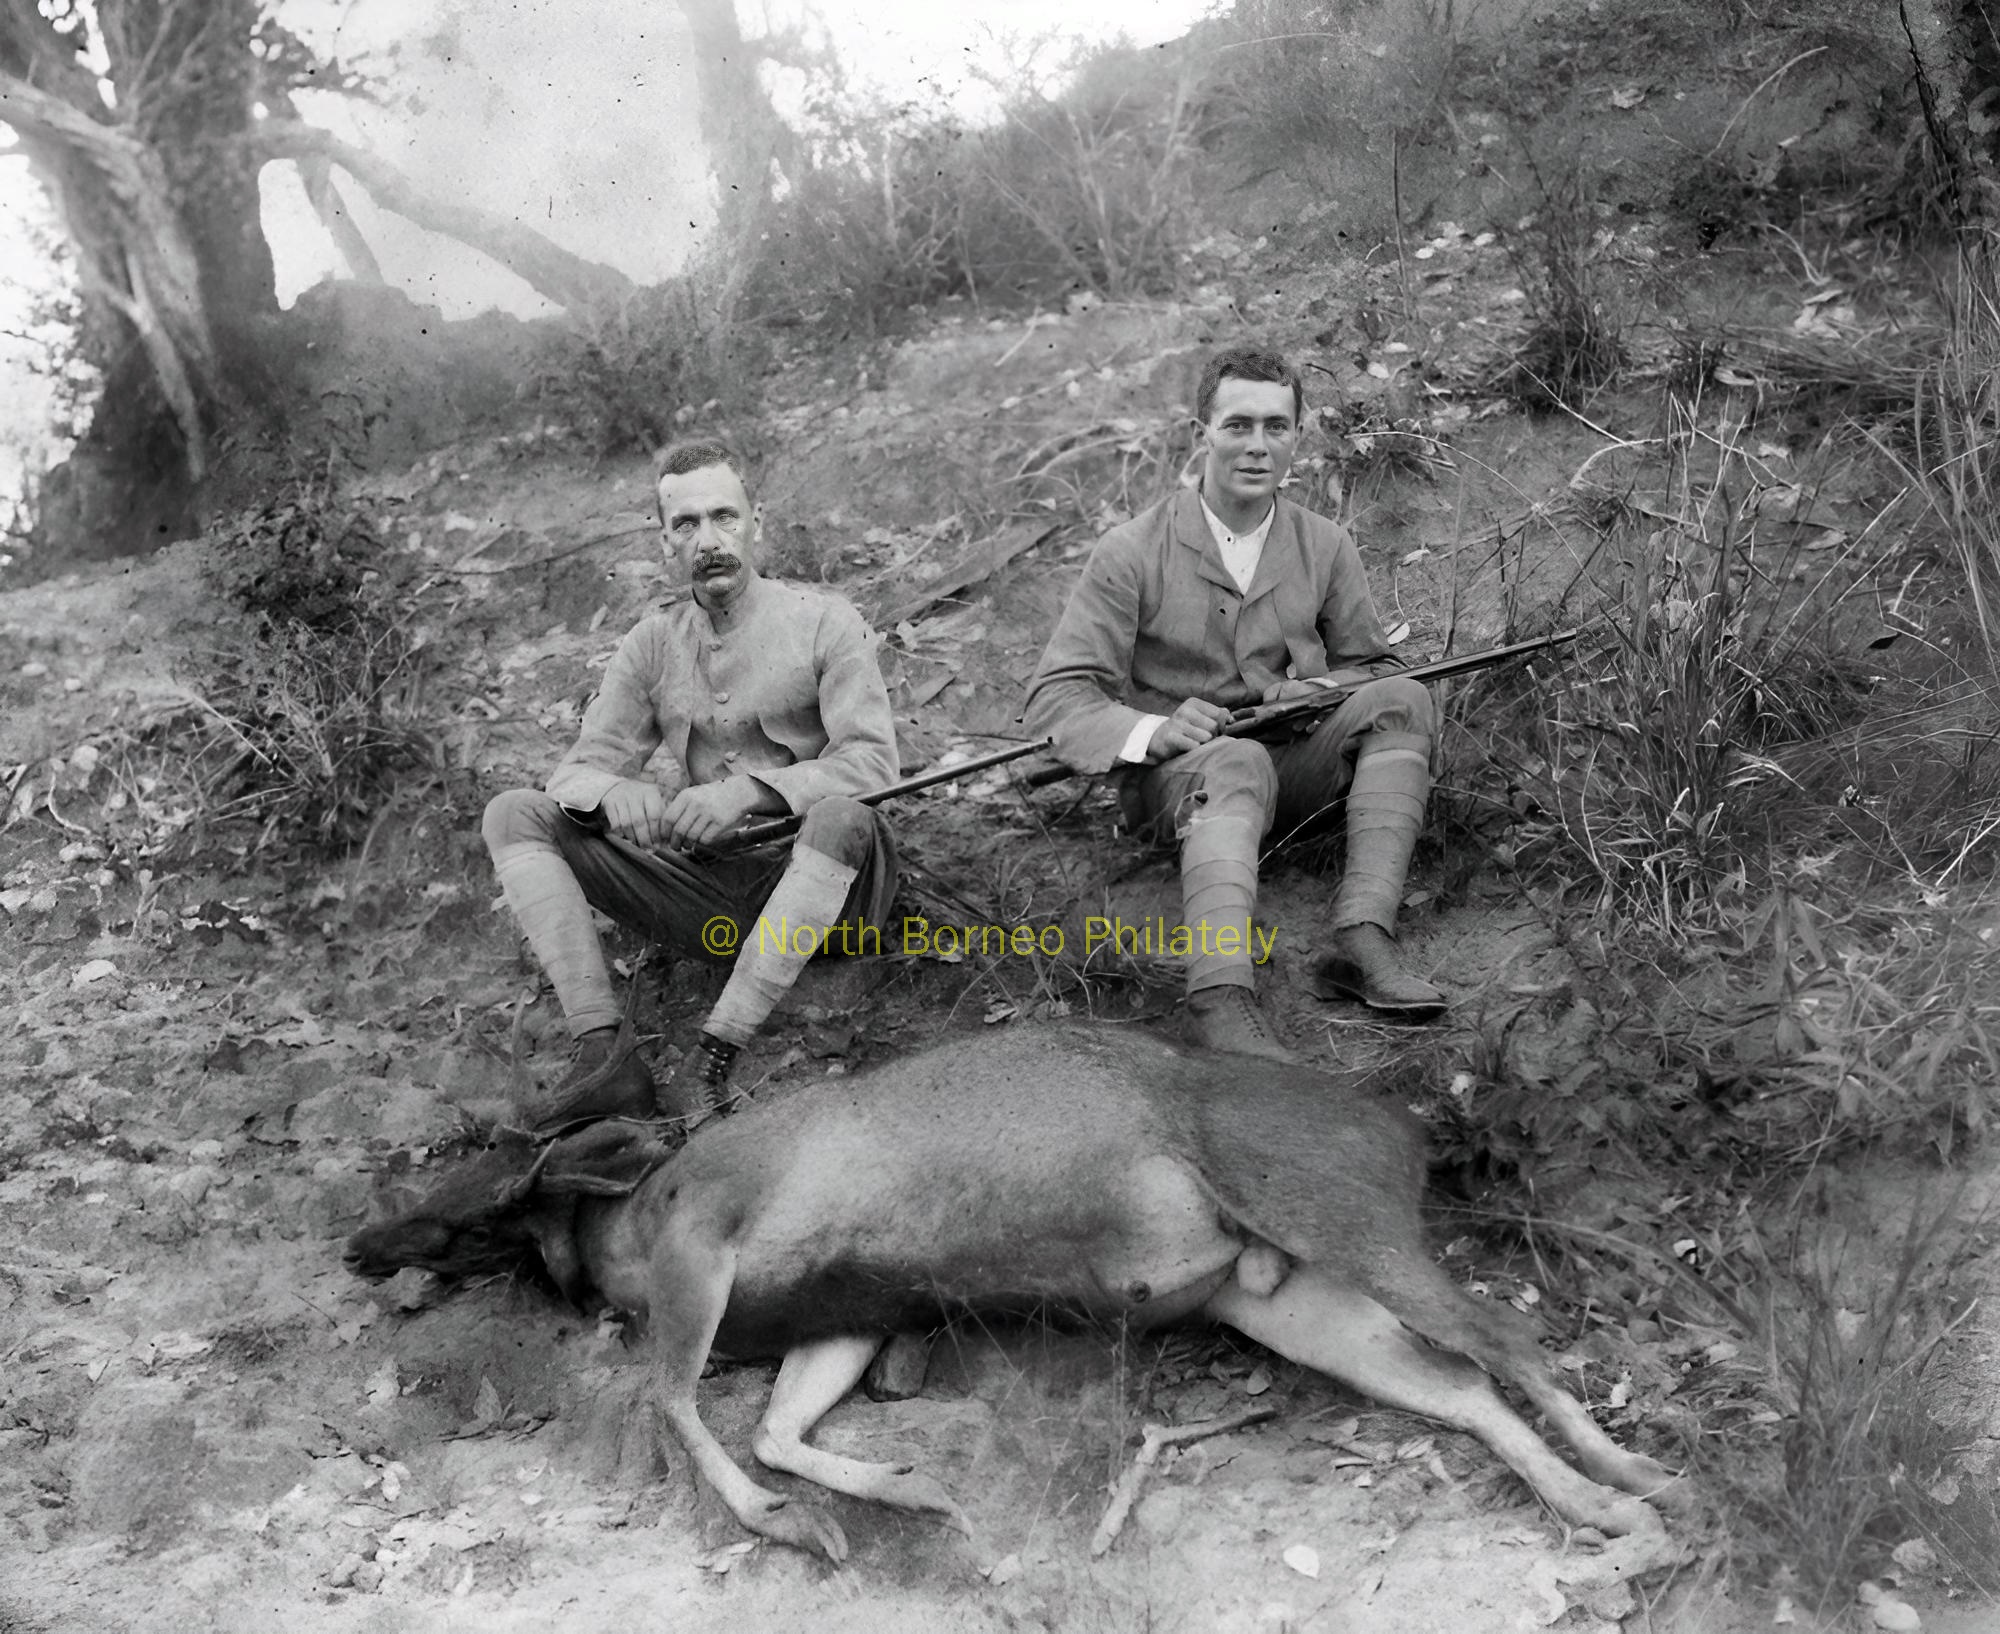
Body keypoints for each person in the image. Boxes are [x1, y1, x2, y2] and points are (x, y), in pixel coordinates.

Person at [1024, 346, 1443, 1061]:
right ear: (1202, 434)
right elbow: (1054, 699)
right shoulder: (1131, 551)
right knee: (1235, 762)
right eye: (1238, 425)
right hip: (1179, 784)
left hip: (1288, 767)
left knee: (1402, 699)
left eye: (1276, 427)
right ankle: (1218, 997)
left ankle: (1362, 937)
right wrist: (1153, 729)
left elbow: (1373, 669)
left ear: (1297, 437)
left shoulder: (1324, 544)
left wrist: (1312, 691)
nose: (1257, 446)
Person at [482, 436, 900, 1129]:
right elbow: (577, 771)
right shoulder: (652, 644)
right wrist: (612, 792)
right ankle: (604, 1057)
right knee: (514, 814)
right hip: (713, 900)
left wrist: (749, 791)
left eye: (724, 516)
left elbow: (874, 765)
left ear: (756, 522)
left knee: (840, 817)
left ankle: (713, 1059)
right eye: (686, 524)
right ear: (665, 543)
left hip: (836, 896)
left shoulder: (826, 622)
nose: (709, 540)